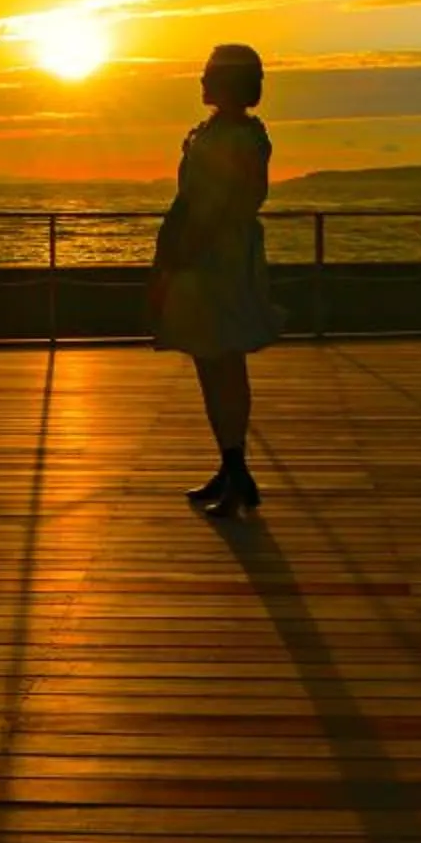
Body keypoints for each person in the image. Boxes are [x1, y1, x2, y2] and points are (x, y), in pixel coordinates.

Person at [147, 43, 283, 515]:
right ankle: (231, 464)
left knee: (222, 359)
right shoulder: (220, 132)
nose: (201, 80)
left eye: (208, 73)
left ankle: (236, 469)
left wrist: (180, 256)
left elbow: (219, 203)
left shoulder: (240, 138)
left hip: (216, 260)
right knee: (213, 363)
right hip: (211, 255)